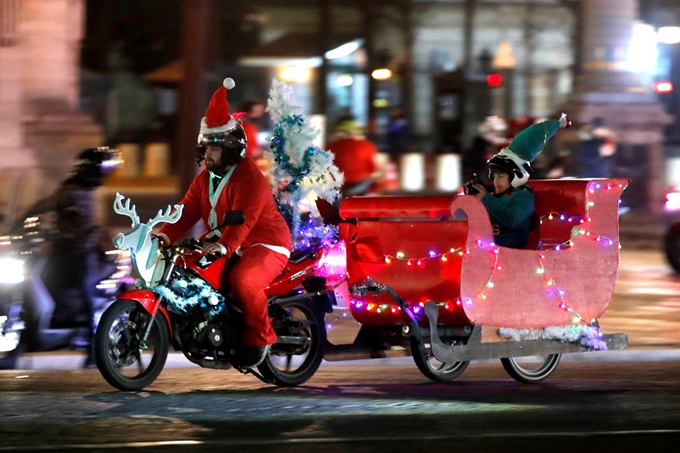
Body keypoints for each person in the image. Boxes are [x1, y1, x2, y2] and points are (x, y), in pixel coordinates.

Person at [156, 77, 292, 370]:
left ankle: (259, 339)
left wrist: (224, 245)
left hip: (265, 243)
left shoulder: (250, 179)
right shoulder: (204, 178)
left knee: (244, 280)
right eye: (205, 147)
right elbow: (186, 210)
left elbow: (244, 220)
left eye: (213, 149)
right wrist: (163, 236)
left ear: (230, 149)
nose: (207, 154)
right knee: (182, 269)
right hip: (223, 243)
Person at [18, 146, 122, 367]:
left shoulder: (84, 193)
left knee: (85, 287)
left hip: (82, 255)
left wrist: (77, 233)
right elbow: (44, 205)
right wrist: (22, 222)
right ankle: (30, 337)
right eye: (101, 171)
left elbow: (89, 226)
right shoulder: (72, 190)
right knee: (38, 281)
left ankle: (95, 346)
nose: (102, 177)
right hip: (64, 252)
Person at [469, 114, 569, 249]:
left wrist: (486, 198)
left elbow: (512, 218)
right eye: (495, 176)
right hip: (489, 249)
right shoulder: (495, 195)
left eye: (501, 176)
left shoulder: (523, 196)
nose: (496, 181)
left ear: (516, 176)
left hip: (512, 251)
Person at [326, 119, 379, 198]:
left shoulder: (331, 146)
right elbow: (374, 167)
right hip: (362, 182)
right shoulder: (367, 145)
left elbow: (326, 167)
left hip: (338, 183)